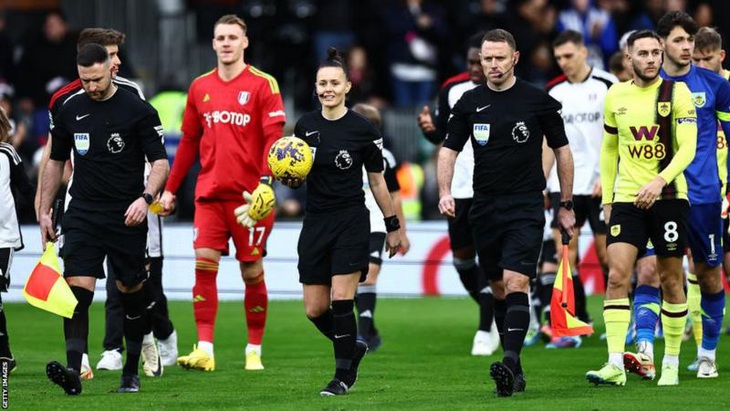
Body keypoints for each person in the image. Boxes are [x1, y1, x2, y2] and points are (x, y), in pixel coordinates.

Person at [438, 29, 575, 397]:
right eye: (487, 59)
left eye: (500, 58)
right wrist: (445, 191)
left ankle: (510, 361)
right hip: (483, 206)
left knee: (517, 283)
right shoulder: (468, 102)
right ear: (480, 61)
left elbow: (562, 151)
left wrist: (565, 203)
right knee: (498, 287)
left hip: (526, 204)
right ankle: (515, 369)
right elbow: (448, 150)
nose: (493, 64)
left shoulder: (537, 100)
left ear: (514, 58)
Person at [37, 28, 174, 378]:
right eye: (85, 80)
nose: (91, 87)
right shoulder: (68, 107)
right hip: (83, 210)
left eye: (97, 79)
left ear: (111, 70)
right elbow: (55, 160)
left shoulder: (137, 107)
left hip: (126, 212)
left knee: (130, 292)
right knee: (77, 293)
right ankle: (73, 371)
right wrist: (44, 209)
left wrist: (146, 199)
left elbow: (160, 161)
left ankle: (131, 371)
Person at [268, 47, 400, 396]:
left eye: (334, 82)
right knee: (315, 309)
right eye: (322, 83)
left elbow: (377, 182)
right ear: (316, 87)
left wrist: (393, 225)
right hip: (316, 223)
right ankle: (352, 346)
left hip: (350, 221)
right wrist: (291, 182)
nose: (328, 88)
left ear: (346, 87)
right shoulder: (305, 126)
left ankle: (342, 376)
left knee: (343, 300)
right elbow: (299, 174)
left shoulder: (362, 130)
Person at [158, 14, 286, 372]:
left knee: (251, 270)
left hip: (250, 199)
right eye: (220, 38)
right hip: (210, 194)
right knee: (203, 264)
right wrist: (170, 190)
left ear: (245, 42)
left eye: (233, 37)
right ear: (213, 43)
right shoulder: (199, 87)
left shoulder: (264, 84)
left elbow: (274, 139)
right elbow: (188, 143)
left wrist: (266, 182)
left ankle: (254, 349)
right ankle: (205, 349)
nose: (226, 43)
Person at [585, 29, 697, 387]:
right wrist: (607, 199)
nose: (650, 59)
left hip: (668, 198)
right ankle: (615, 363)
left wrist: (659, 180)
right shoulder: (615, 95)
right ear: (628, 58)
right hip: (626, 199)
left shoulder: (677, 94)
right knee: (617, 276)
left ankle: (671, 363)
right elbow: (610, 149)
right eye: (643, 53)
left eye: (655, 52)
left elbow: (687, 149)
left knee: (670, 279)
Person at [623, 12, 730, 381]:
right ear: (662, 43)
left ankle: (706, 355)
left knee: (709, 276)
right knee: (650, 271)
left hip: (702, 198)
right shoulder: (645, 86)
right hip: (657, 196)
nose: (688, 48)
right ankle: (645, 353)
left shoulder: (715, 85)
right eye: (681, 41)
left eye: (691, 41)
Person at [417, 31, 499, 357]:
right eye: (472, 63)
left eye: (483, 61)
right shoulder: (452, 89)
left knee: (492, 260)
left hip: (493, 191)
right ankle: (498, 310)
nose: (477, 68)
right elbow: (444, 133)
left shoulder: (508, 93)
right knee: (462, 261)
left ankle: (485, 327)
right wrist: (429, 128)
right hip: (460, 189)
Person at [542, 30, 618, 348]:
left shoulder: (607, 85)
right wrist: (541, 182)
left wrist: (610, 176)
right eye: (559, 57)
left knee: (607, 256)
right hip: (565, 185)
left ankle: (618, 319)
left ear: (584, 52)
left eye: (569, 56)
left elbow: (620, 135)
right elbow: (548, 141)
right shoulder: (553, 91)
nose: (564, 62)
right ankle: (574, 321)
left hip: (601, 183)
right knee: (565, 254)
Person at [351, 102, 410, 351]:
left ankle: (363, 335)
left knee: (370, 275)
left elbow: (395, 195)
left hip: (376, 221)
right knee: (352, 279)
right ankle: (370, 329)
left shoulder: (385, 157)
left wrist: (401, 230)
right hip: (351, 221)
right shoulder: (343, 151)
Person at [0, 106, 33, 373]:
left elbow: (25, 188)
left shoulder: (7, 153)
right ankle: (5, 355)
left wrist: (44, 213)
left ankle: (4, 354)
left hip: (3, 237)